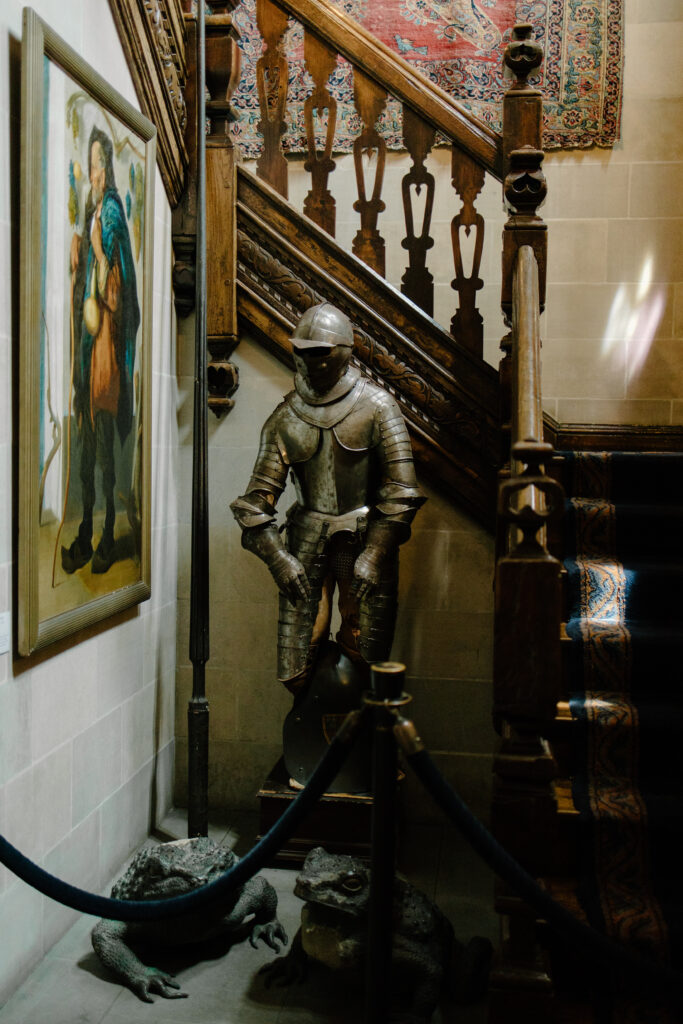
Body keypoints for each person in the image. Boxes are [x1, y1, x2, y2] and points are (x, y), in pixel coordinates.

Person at [231, 302, 425, 696]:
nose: (308, 361)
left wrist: (373, 555)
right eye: (301, 351)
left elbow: (400, 494)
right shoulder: (286, 418)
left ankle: (362, 745)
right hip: (304, 544)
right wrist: (278, 560)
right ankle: (313, 740)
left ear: (345, 351)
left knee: (369, 660)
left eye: (319, 351)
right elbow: (254, 506)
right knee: (295, 669)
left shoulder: (378, 408)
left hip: (368, 539)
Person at [62, 126, 140, 575]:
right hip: (92, 345)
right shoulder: (93, 208)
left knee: (104, 437)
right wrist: (80, 255)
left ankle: (108, 533)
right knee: (89, 440)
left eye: (97, 162)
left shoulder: (109, 211)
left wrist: (94, 250)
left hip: (107, 346)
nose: (93, 171)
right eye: (89, 163)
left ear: (107, 167)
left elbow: (117, 287)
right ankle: (87, 536)